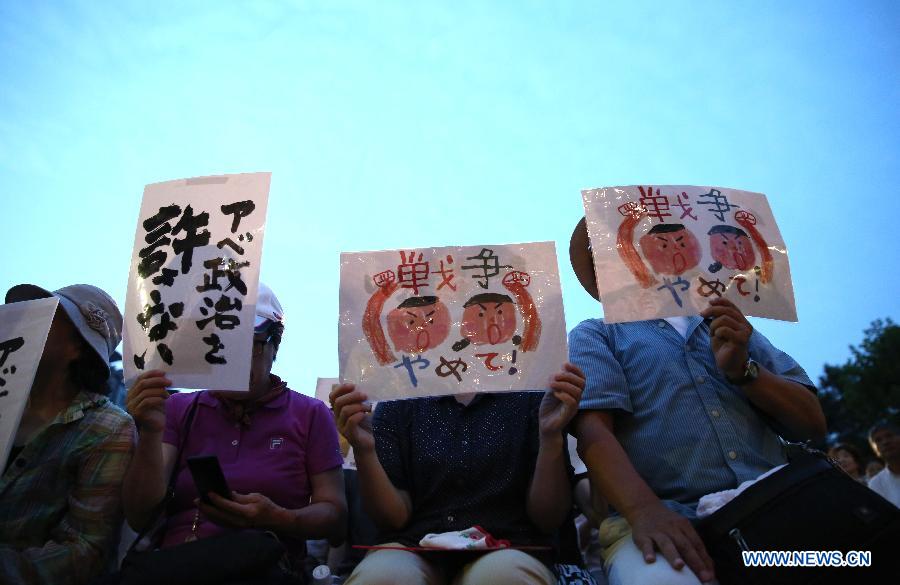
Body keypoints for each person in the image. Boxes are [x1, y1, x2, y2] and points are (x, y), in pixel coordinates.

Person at [567, 220, 826, 585]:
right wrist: (644, 512)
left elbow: (812, 424)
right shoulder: (595, 334)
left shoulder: (730, 324)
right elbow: (592, 430)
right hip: (660, 517)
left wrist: (744, 371)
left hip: (776, 499)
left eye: (671, 243)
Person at [122, 283, 347, 578]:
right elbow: (140, 516)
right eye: (217, 342)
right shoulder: (178, 408)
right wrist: (150, 432)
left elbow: (336, 518)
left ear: (274, 344)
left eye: (249, 343)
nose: (232, 357)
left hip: (265, 565)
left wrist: (278, 518)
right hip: (176, 565)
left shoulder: (310, 413)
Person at [330, 362, 585, 585]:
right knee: (382, 578)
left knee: (502, 577)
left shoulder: (532, 392)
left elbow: (548, 517)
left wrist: (551, 437)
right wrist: (365, 451)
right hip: (413, 545)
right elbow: (393, 518)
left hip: (511, 545)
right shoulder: (398, 400)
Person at [0, 283, 135, 585]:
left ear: (77, 347)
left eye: (45, 315)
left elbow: (84, 552)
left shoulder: (108, 429)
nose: (27, 320)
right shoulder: (5, 401)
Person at [866, 422, 900, 508]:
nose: (885, 442)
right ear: (875, 450)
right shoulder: (875, 484)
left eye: (889, 436)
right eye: (878, 440)